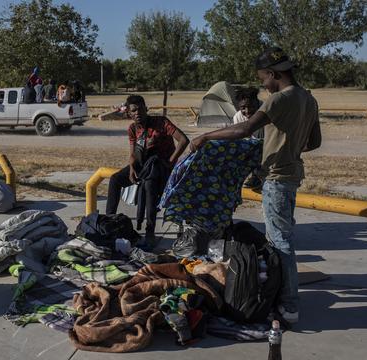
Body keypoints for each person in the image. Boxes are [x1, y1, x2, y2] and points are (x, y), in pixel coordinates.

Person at [188, 47, 322, 326]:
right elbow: (314, 142)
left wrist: (205, 137)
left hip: (276, 178)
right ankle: (286, 298)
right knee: (281, 238)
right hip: (292, 174)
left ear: (273, 74)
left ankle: (289, 306)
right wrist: (287, 147)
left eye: (263, 78)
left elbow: (244, 129)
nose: (263, 84)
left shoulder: (278, 100)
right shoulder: (308, 98)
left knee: (280, 242)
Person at [106, 95, 189, 247]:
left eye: (140, 109)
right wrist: (131, 168)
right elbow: (133, 154)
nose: (137, 113)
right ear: (129, 114)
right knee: (115, 180)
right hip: (143, 165)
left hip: (162, 166)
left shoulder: (161, 122)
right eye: (133, 110)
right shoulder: (132, 129)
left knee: (149, 184)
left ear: (146, 109)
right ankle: (108, 222)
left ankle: (150, 231)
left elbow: (183, 140)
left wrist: (170, 161)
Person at [233, 87, 264, 188]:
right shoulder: (238, 117)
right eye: (243, 108)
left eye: (251, 106)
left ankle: (259, 175)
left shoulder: (266, 110)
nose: (247, 111)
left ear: (257, 102)